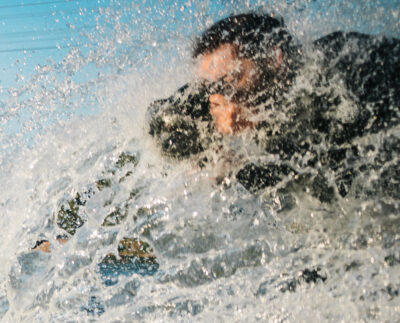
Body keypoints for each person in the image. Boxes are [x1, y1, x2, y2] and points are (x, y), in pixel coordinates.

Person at [147, 12, 400, 200]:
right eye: (211, 87)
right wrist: (219, 160)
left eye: (232, 79)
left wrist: (255, 124)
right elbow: (158, 118)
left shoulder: (336, 64)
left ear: (273, 57)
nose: (224, 97)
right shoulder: (219, 91)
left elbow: (334, 158)